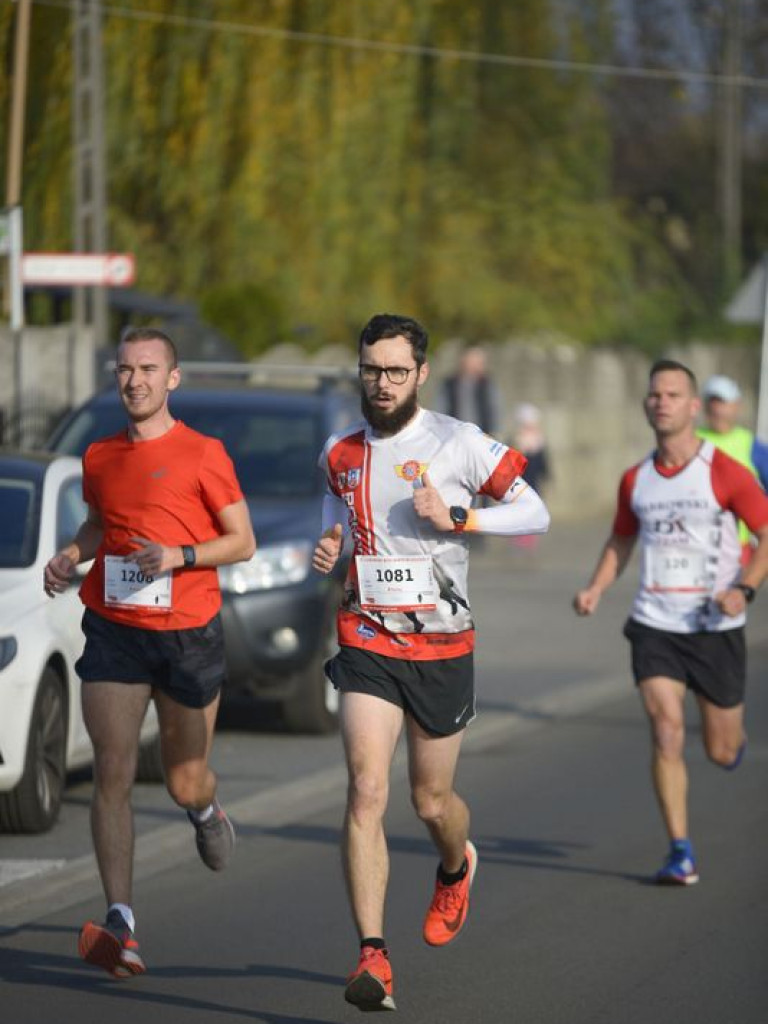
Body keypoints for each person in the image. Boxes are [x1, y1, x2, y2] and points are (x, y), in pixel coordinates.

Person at [313, 313, 550, 1011]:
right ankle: (373, 958)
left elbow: (533, 511)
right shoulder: (339, 452)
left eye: (394, 371)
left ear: (419, 373)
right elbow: (337, 529)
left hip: (443, 645)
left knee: (431, 801)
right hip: (367, 638)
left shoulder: (459, 442)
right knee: (365, 788)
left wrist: (460, 517)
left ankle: (456, 864)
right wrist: (331, 555)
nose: (380, 383)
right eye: (370, 370)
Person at [43, 327, 256, 978]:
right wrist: (74, 554)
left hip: (188, 631)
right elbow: (101, 524)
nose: (134, 380)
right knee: (112, 769)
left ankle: (203, 807)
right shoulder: (100, 455)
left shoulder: (202, 453)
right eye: (124, 369)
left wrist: (179, 556)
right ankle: (122, 922)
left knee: (182, 775)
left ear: (173, 378)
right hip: (114, 625)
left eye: (147, 368)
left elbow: (241, 541)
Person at [573, 359, 768, 887]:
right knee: (665, 730)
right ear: (646, 405)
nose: (662, 402)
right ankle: (680, 850)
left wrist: (744, 587)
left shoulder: (725, 472)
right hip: (655, 623)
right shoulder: (635, 479)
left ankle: (731, 742)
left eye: (673, 394)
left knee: (721, 749)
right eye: (655, 395)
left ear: (693, 406)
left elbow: (766, 532)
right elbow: (621, 538)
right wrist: (596, 587)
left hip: (714, 626)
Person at [697, 373, 768, 564]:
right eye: (713, 402)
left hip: (738, 550)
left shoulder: (751, 445)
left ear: (736, 406)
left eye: (723, 402)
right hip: (695, 547)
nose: (717, 409)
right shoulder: (691, 441)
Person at [437, 342, 502, 436]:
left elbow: (494, 409)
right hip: (454, 434)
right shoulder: (450, 383)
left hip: (482, 434)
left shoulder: (487, 384)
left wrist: (493, 433)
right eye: (473, 361)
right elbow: (441, 408)